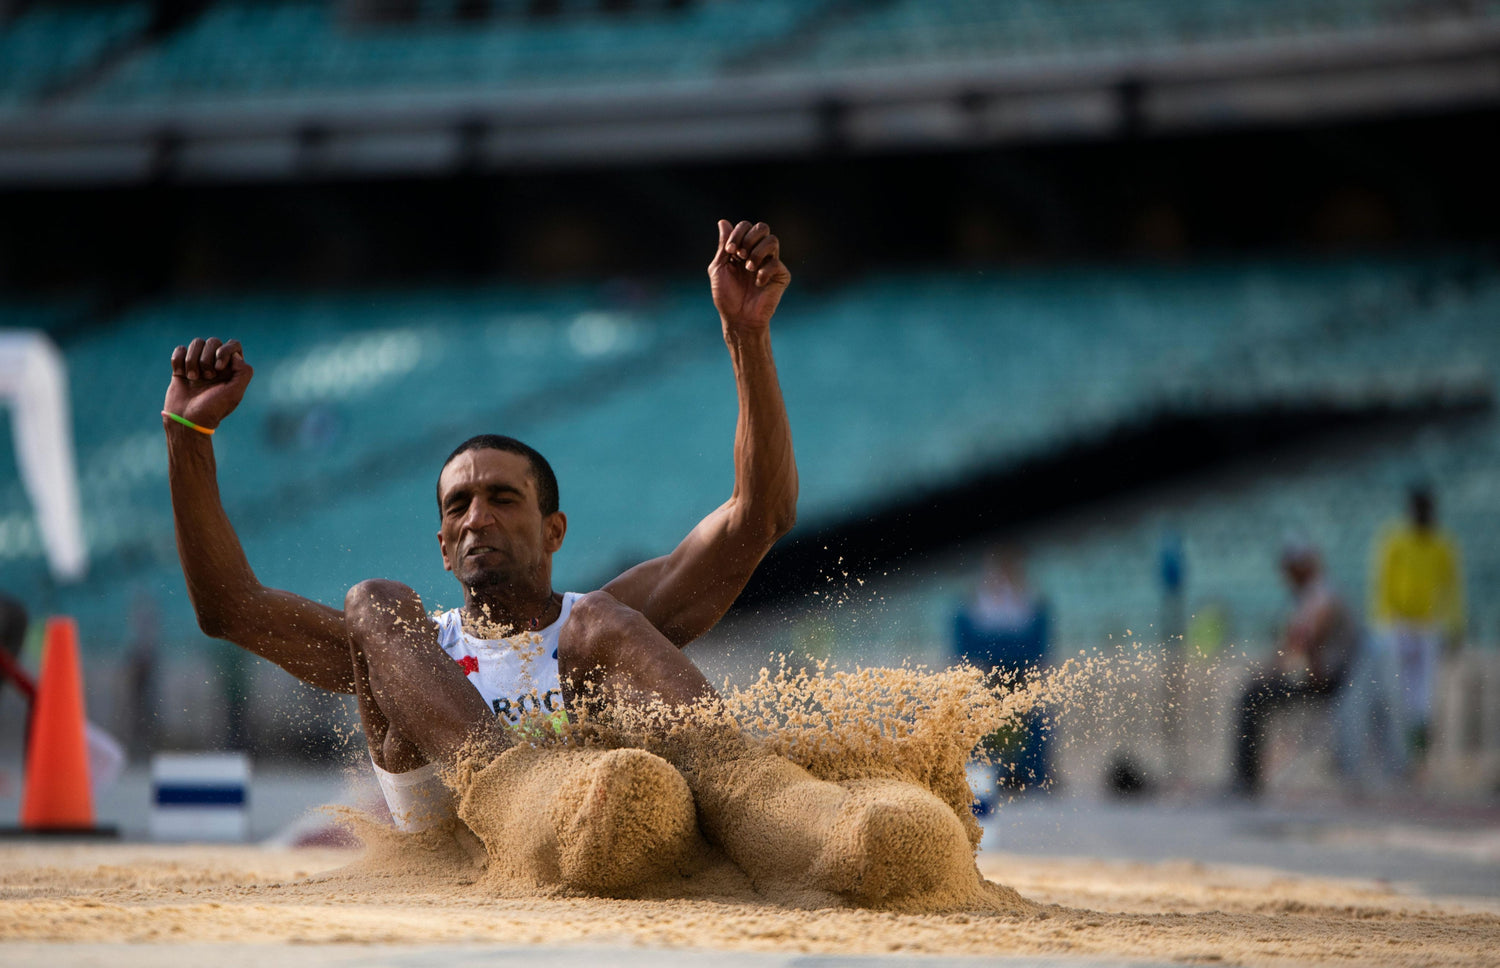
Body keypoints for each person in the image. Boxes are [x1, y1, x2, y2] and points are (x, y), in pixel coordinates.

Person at [163, 220, 971, 903]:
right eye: (458, 507)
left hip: (610, 823)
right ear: (443, 549)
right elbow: (228, 607)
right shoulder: (408, 649)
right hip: (472, 842)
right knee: (373, 601)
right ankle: (515, 791)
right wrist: (187, 438)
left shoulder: (598, 625)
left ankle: (778, 810)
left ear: (554, 530)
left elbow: (760, 516)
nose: (478, 517)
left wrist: (746, 336)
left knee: (603, 628)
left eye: (503, 500)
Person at [1229, 543, 1357, 798]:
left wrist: (1297, 670)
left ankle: (1246, 781)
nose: (1287, 577)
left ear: (1304, 567)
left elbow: (1306, 639)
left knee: (1252, 696)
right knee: (1254, 690)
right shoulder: (1309, 595)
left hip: (1329, 682)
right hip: (1321, 677)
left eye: (1291, 570)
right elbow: (1294, 643)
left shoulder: (1322, 593)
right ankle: (1246, 779)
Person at [1369, 485, 1464, 755]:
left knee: (1423, 692)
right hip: (1398, 623)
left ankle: (1417, 749)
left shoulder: (1443, 543)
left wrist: (1454, 624)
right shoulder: (1395, 538)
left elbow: (1452, 587)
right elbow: (1383, 583)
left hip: (1428, 624)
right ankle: (1391, 746)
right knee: (1394, 687)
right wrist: (1385, 623)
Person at [953, 546, 1051, 802]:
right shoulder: (975, 601)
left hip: (1020, 671)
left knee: (1035, 717)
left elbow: (1037, 642)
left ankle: (1027, 773)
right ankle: (980, 772)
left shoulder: (1029, 600)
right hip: (987, 672)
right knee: (973, 715)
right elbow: (966, 643)